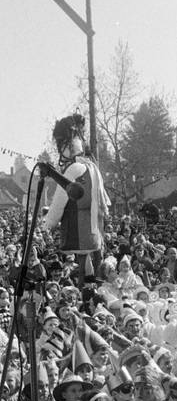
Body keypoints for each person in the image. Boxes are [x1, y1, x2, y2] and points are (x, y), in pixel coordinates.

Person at [42, 113, 111, 287]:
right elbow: (104, 199)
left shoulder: (73, 169)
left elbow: (58, 203)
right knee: (93, 259)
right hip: (95, 224)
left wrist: (47, 224)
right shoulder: (93, 167)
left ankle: (84, 291)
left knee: (82, 263)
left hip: (77, 224)